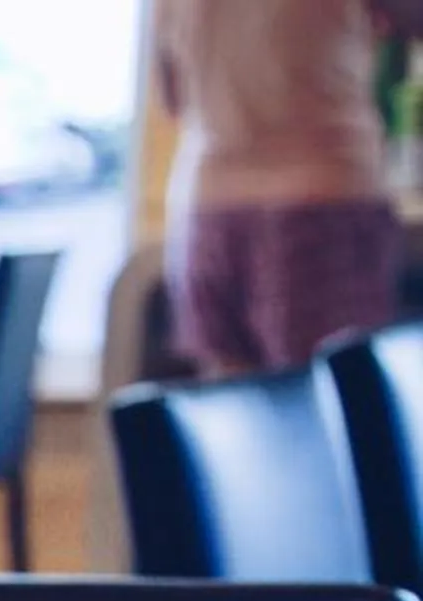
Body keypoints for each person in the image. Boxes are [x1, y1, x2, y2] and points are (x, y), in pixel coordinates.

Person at [156, 0, 422, 374]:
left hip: (207, 203)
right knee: (335, 403)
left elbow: (172, 95)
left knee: (233, 413)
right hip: (319, 194)